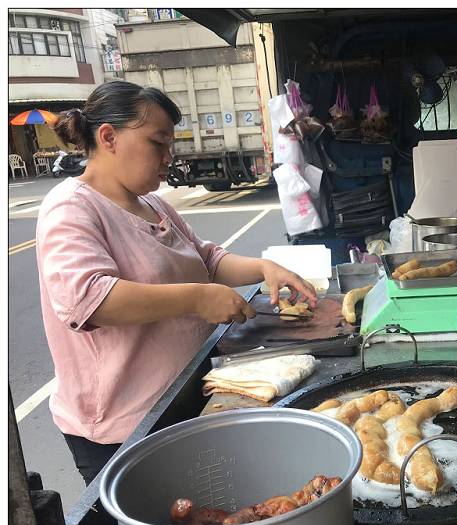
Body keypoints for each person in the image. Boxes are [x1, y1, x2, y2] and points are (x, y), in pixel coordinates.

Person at [36, 81, 317, 485]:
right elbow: (88, 301)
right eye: (157, 143)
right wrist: (197, 299)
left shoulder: (151, 203)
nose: (169, 157)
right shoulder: (71, 207)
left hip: (182, 397)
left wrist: (264, 268)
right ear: (108, 137)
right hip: (124, 427)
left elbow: (206, 259)